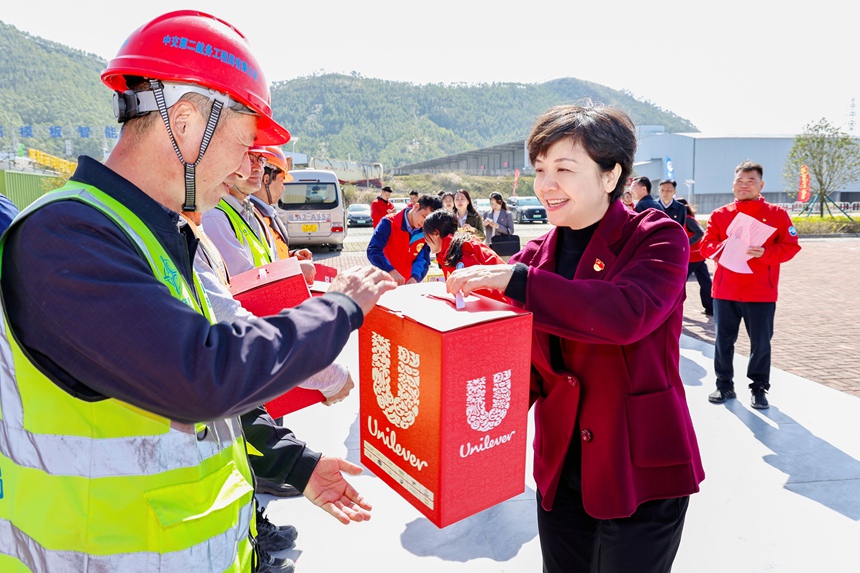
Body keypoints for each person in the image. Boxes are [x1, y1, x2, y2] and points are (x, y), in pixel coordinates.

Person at [0, 10, 396, 573]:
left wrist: (296, 467)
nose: (242, 168)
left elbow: (215, 411)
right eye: (241, 144)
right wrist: (341, 308)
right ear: (185, 122)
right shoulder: (65, 237)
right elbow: (201, 376)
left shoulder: (161, 234)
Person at [445, 104, 704, 573]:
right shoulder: (538, 252)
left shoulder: (658, 238)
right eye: (541, 169)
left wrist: (518, 282)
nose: (546, 184)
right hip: (562, 468)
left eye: (564, 169)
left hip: (638, 468)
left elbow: (626, 314)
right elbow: (526, 365)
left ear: (610, 176)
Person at [700, 161, 801, 409]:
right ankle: (724, 385)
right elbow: (705, 245)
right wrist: (722, 248)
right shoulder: (720, 214)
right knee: (723, 341)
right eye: (739, 181)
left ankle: (759, 388)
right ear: (733, 184)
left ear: (761, 185)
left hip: (761, 292)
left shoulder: (777, 214)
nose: (744, 186)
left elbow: (791, 246)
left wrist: (765, 252)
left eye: (750, 181)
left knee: (761, 343)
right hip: (726, 290)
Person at [202, 147, 277, 276]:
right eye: (250, 159)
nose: (258, 168)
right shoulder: (214, 216)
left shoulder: (251, 211)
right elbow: (243, 279)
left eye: (261, 160)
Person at [251, 145, 312, 261]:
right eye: (282, 181)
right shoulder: (252, 217)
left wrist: (292, 255)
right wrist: (295, 267)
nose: (283, 188)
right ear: (266, 179)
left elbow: (271, 256)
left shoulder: (265, 214)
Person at [367, 193, 442, 285]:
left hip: (407, 286)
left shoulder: (426, 231)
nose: (424, 223)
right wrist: (391, 271)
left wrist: (415, 277)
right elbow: (374, 251)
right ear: (416, 206)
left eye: (429, 221)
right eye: (424, 217)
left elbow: (423, 259)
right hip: (384, 282)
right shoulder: (388, 223)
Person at [423, 209, 504, 278]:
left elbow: (478, 290)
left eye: (426, 234)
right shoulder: (450, 249)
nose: (425, 240)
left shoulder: (460, 251)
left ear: (436, 233)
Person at [677, 198, 713, 316]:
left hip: (693, 257)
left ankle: (674, 307)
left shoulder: (688, 219)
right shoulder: (687, 219)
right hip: (697, 256)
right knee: (705, 282)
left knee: (679, 283)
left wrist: (686, 242)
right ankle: (710, 307)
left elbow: (700, 232)